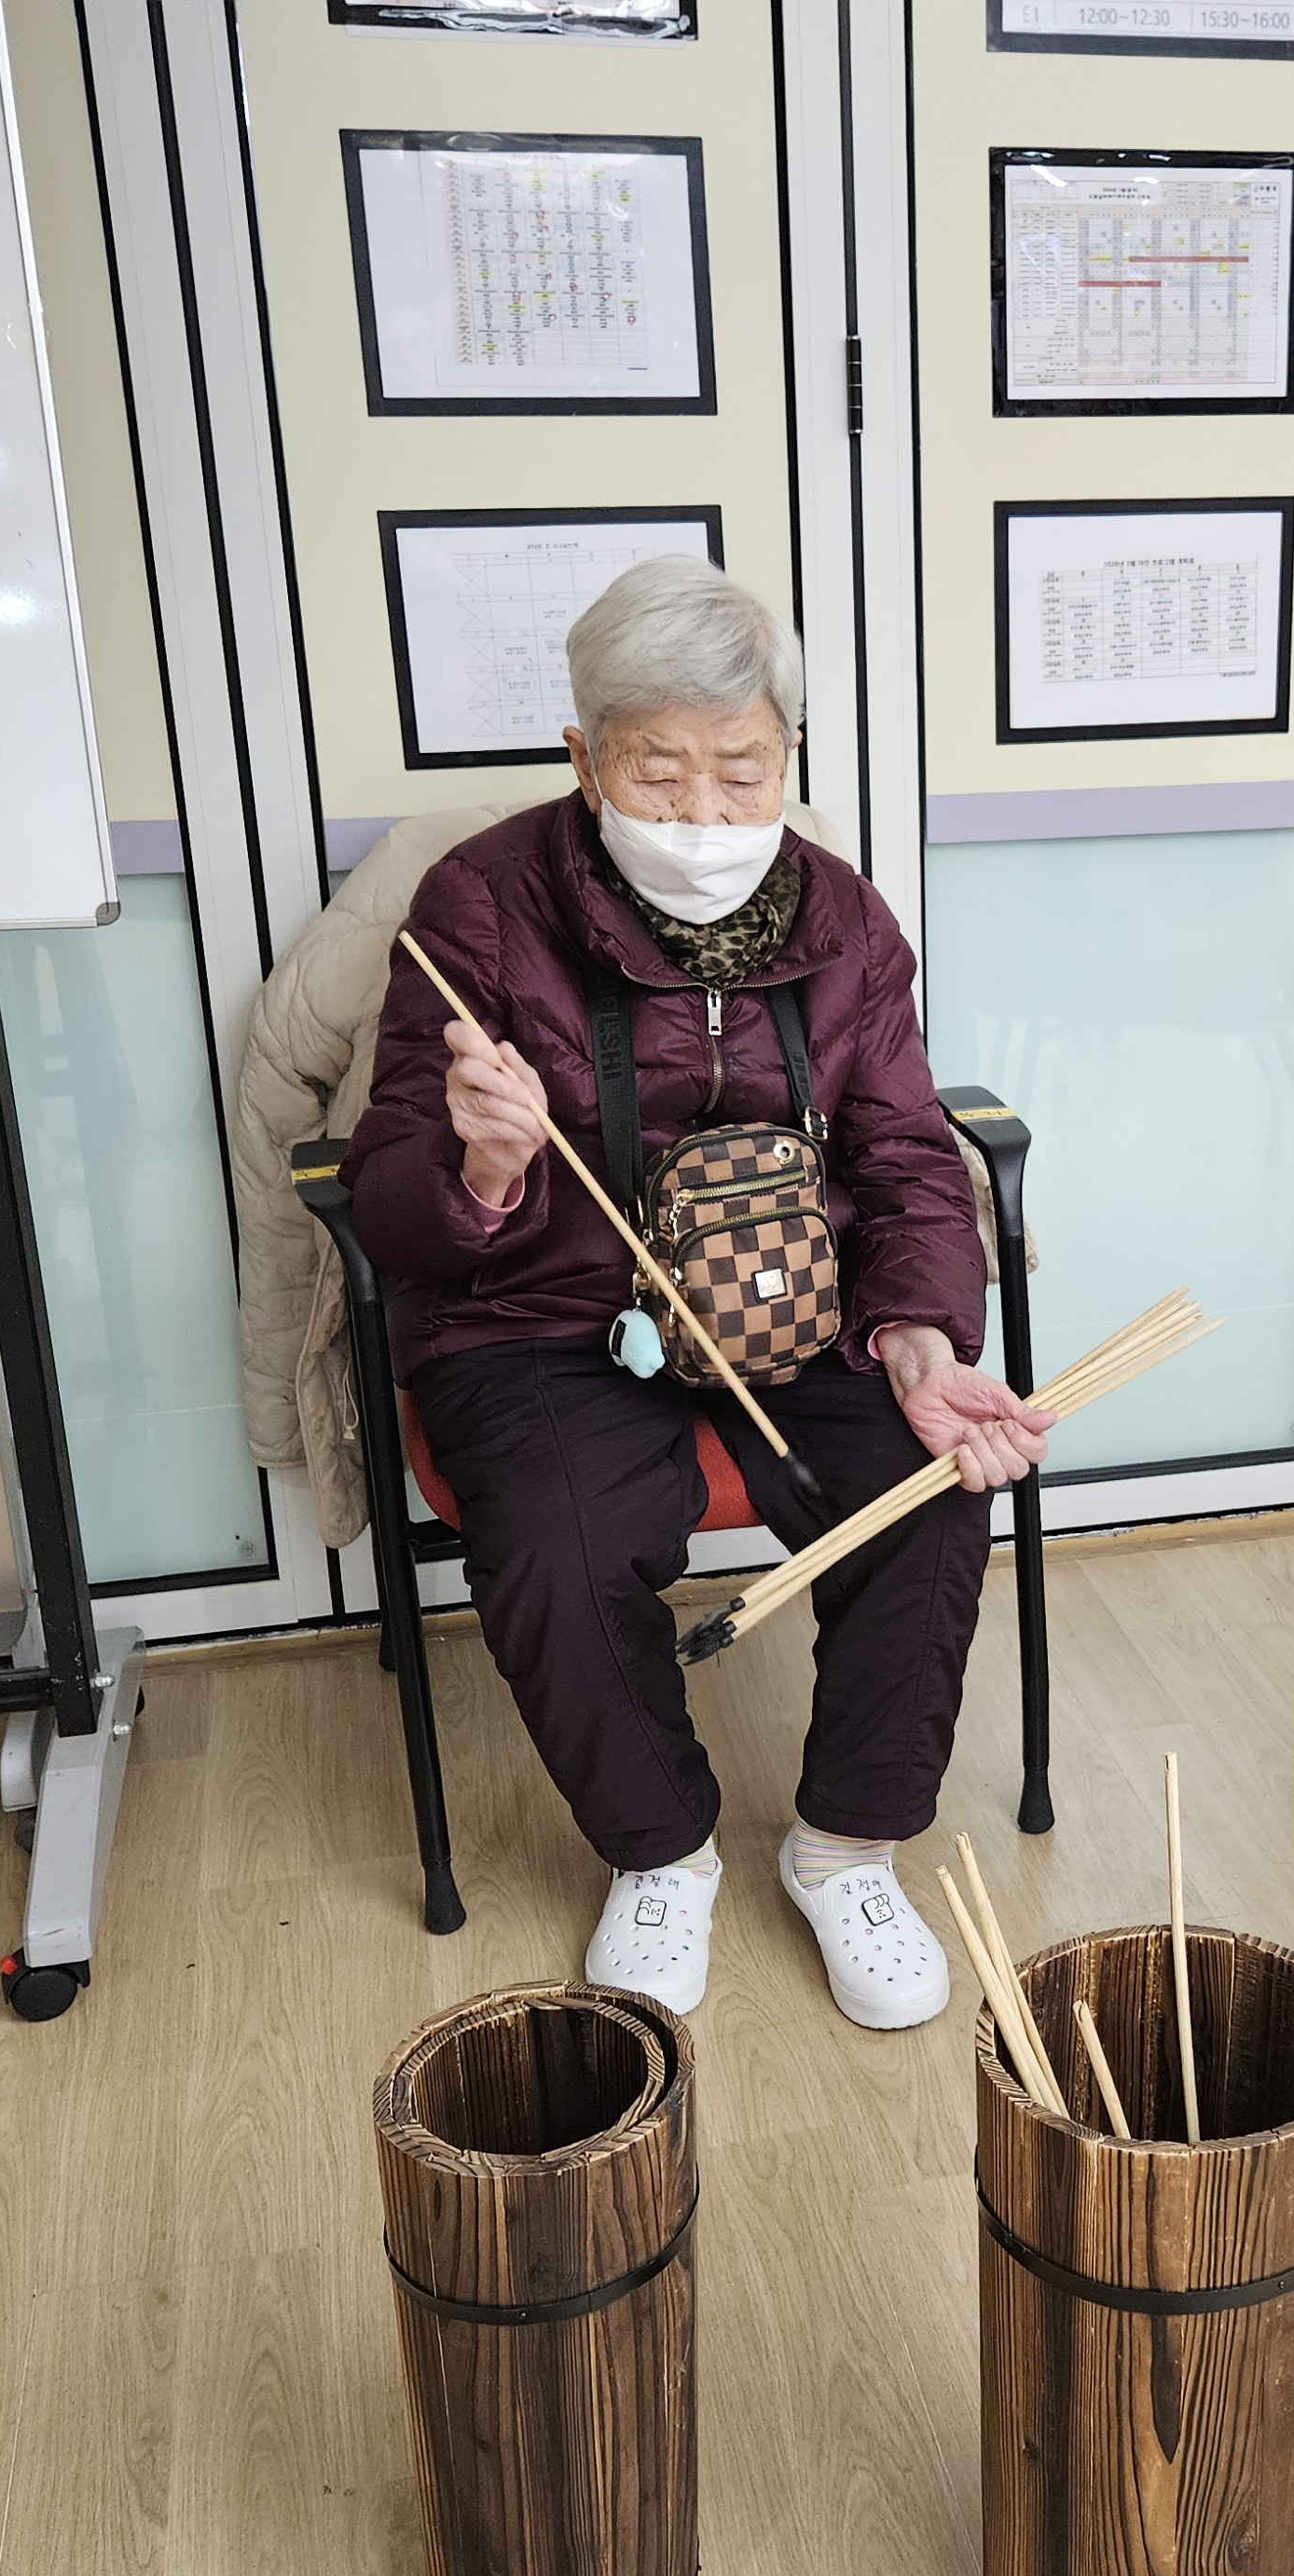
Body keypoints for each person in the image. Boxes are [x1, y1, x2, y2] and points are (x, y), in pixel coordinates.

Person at [340, 556, 1050, 2026]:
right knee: (558, 1540)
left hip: (804, 1300)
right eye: (660, 772)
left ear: (790, 755)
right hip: (542, 1309)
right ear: (583, 757)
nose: (708, 814)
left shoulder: (843, 915)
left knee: (928, 1489)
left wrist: (920, 1337)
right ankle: (661, 1853)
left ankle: (846, 1848)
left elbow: (905, 1154)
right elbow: (388, 1192)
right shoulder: (479, 905)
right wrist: (481, 1165)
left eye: (744, 770)